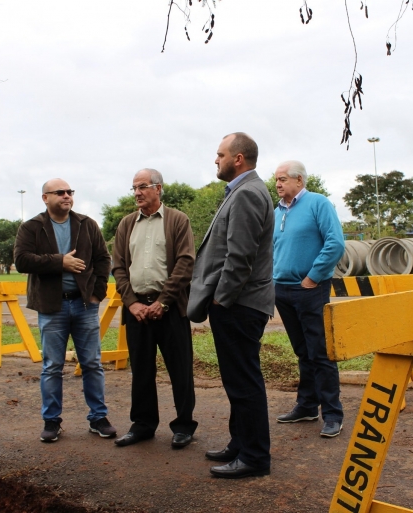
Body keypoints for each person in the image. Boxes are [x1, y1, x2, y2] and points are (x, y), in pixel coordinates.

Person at [187, 132, 275, 479]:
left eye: (220, 154)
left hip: (238, 304)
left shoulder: (248, 193)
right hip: (238, 303)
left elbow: (240, 257)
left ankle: (254, 457)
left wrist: (222, 299)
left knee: (243, 382)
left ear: (238, 158)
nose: (216, 159)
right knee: (238, 380)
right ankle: (241, 443)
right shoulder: (244, 191)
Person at [14, 179, 116, 443]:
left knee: (92, 363)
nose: (67, 196)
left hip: (84, 305)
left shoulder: (86, 224)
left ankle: (98, 418)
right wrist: (61, 262)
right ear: (45, 198)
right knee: (52, 366)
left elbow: (104, 258)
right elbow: (22, 261)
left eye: (70, 192)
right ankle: (52, 421)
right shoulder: (32, 227)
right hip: (52, 307)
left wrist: (98, 292)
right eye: (60, 192)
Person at [111, 168, 198, 449]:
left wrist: (164, 301)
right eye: (134, 188)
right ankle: (143, 425)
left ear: (158, 188)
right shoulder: (126, 224)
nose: (137, 192)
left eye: (143, 187)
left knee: (180, 369)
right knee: (141, 370)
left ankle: (184, 425)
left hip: (170, 309)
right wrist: (132, 302)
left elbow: (185, 263)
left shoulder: (177, 220)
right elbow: (119, 267)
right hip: (137, 309)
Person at [272, 161, 346, 437]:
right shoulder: (276, 211)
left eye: (282, 179)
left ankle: (332, 413)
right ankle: (306, 406)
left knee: (320, 352)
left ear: (299, 180)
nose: (277, 184)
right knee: (302, 351)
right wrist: (272, 276)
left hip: (310, 289)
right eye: (276, 180)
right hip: (283, 290)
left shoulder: (318, 204)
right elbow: (272, 248)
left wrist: (313, 276)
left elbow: (335, 243)